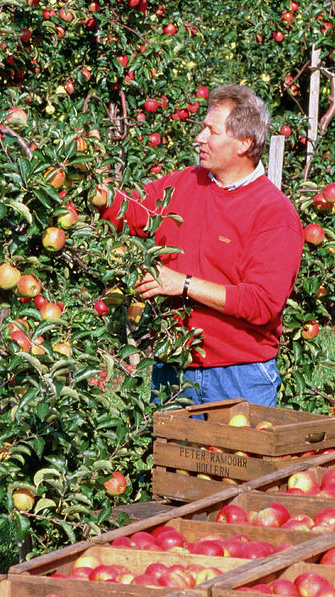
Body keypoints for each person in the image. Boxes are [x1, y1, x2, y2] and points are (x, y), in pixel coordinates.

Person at [95, 84, 304, 407]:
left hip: (239, 376)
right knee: (171, 459)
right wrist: (87, 188)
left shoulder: (272, 213)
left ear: (243, 144)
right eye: (202, 128)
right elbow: (133, 209)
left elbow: (262, 303)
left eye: (211, 131)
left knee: (243, 458)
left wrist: (182, 284)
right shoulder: (183, 184)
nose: (200, 138)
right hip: (173, 368)